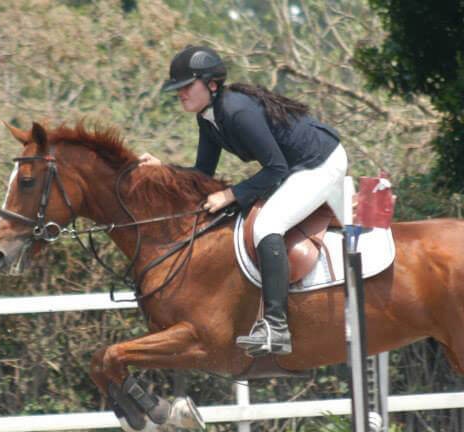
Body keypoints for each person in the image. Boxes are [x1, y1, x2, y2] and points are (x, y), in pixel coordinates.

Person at [141, 45, 347, 357]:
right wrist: (164, 170)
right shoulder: (208, 118)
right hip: (295, 167)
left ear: (211, 85)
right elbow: (202, 173)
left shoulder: (236, 112)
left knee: (267, 225)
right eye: (178, 88)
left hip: (320, 162)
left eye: (186, 86)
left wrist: (231, 193)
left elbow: (275, 168)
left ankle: (277, 326)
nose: (180, 94)